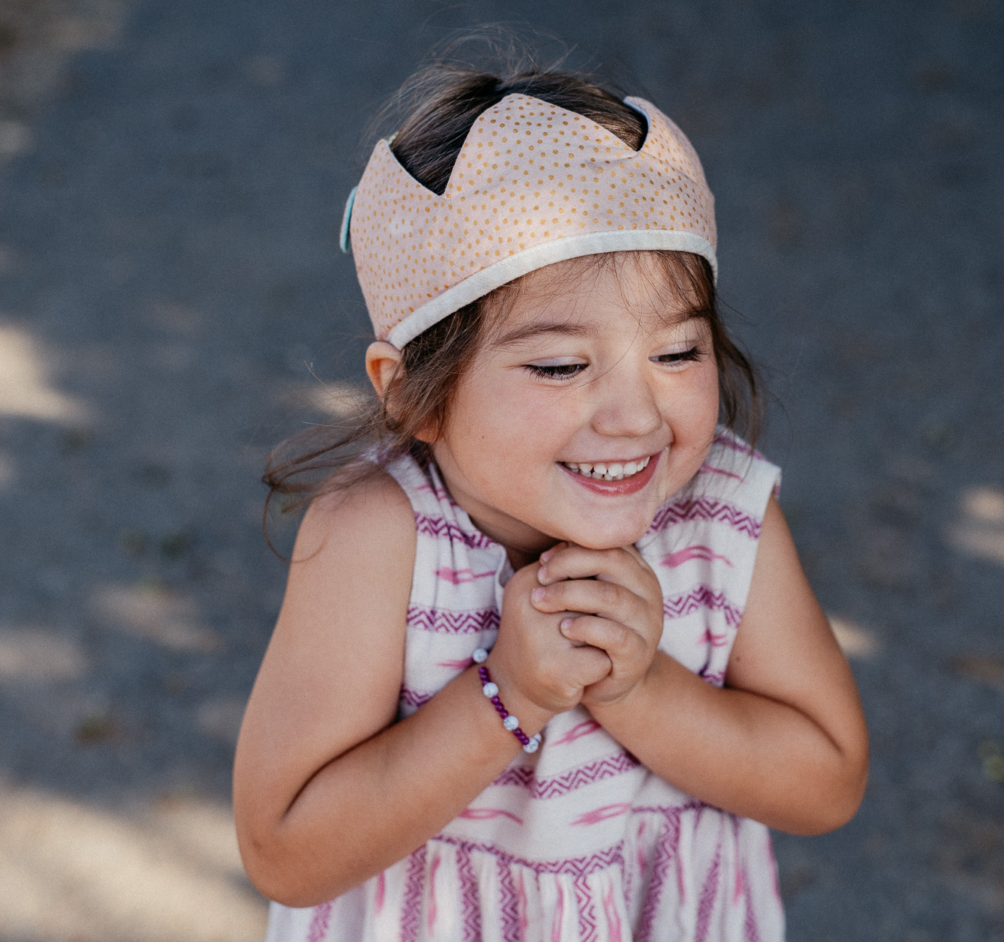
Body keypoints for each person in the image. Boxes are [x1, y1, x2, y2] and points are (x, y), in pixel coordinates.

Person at [233, 63, 869, 942]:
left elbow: (826, 780)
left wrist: (639, 687)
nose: (636, 414)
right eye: (562, 365)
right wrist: (510, 693)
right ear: (415, 392)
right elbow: (285, 850)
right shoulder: (380, 539)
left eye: (678, 354)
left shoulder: (723, 515)